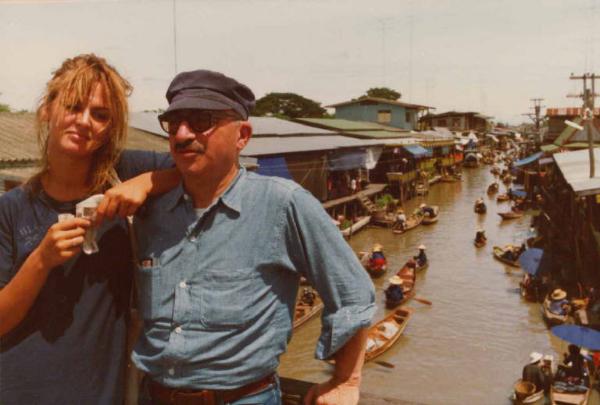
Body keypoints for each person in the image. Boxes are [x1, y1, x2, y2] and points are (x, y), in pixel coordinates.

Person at [132, 70, 375, 405]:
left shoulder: (283, 204)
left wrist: (346, 381)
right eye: (173, 124)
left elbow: (354, 293)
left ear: (242, 135)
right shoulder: (152, 212)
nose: (182, 135)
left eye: (201, 120)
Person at [0, 54, 178, 404]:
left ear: (110, 128)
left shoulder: (124, 171)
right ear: (46, 110)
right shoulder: (10, 209)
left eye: (100, 115)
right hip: (19, 389)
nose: (84, 121)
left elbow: (199, 168)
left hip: (99, 392)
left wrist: (144, 183)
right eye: (73, 106)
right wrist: (41, 260)